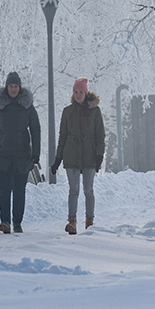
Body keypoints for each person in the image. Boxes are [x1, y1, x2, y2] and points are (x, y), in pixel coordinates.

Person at [0, 72, 41, 234]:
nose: (13, 89)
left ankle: (17, 222)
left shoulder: (27, 106)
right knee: (4, 190)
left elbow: (35, 130)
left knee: (20, 191)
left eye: (15, 86)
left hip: (22, 154)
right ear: (6, 88)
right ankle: (5, 221)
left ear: (20, 88)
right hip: (2, 154)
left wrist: (36, 153)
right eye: (10, 86)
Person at [51, 77, 105, 234]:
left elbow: (100, 135)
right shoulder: (68, 112)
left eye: (81, 91)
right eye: (75, 91)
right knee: (73, 190)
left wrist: (99, 155)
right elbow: (63, 136)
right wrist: (57, 159)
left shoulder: (95, 111)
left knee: (88, 190)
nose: (78, 94)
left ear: (86, 93)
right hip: (71, 155)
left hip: (89, 156)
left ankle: (89, 222)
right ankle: (72, 222)